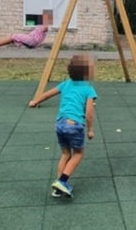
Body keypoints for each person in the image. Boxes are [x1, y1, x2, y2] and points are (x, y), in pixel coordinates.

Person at [28, 54, 97, 198]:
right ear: (87, 73)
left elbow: (48, 94)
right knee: (78, 154)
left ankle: (58, 188)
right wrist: (90, 130)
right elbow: (89, 113)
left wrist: (35, 101)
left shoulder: (65, 84)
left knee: (66, 154)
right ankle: (62, 181)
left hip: (60, 124)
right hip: (74, 125)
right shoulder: (88, 89)